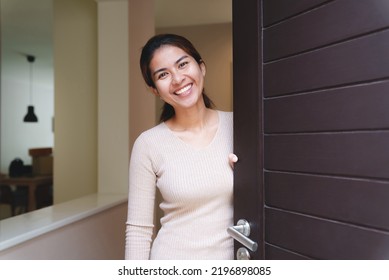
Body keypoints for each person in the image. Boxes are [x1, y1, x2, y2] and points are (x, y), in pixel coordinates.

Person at [125, 33, 237, 260]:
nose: (177, 79)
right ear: (154, 90)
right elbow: (139, 230)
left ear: (201, 67)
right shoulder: (148, 144)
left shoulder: (239, 126)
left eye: (183, 64)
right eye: (163, 74)